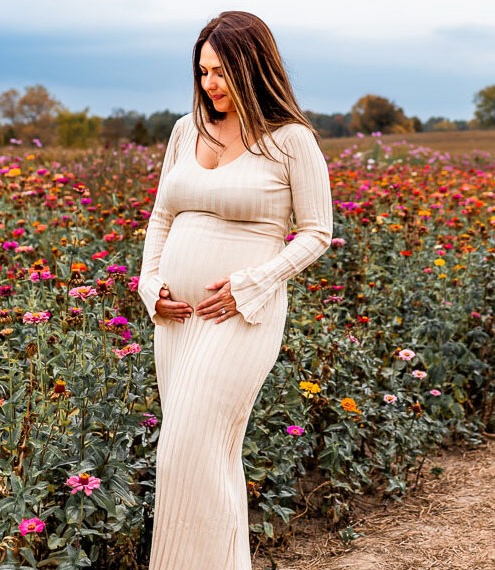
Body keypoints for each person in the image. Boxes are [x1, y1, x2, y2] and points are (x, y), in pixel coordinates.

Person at [138, 10, 333, 570]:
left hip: (240, 318)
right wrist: (150, 286)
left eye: (221, 72)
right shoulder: (185, 129)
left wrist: (254, 282)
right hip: (176, 321)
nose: (209, 85)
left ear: (253, 69)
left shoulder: (291, 140)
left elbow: (318, 232)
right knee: (206, 458)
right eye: (202, 72)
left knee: (187, 450)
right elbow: (160, 217)